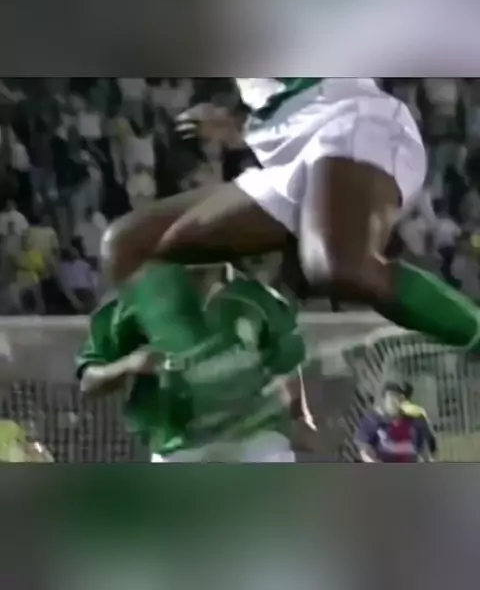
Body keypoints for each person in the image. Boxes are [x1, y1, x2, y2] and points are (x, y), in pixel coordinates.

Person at [101, 78, 480, 429]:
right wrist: (239, 121)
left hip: (349, 120)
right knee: (127, 247)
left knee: (337, 265)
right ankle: (209, 391)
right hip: (284, 155)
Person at [76, 267, 307, 462]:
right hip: (179, 444)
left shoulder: (258, 297)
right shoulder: (131, 301)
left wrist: (298, 415)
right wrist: (128, 364)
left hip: (255, 435)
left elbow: (287, 363)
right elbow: (88, 381)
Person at [355, 382, 433, 463]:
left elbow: (424, 451)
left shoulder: (415, 421)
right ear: (384, 399)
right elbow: (365, 450)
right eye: (392, 397)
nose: (396, 400)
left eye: (400, 397)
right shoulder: (372, 420)